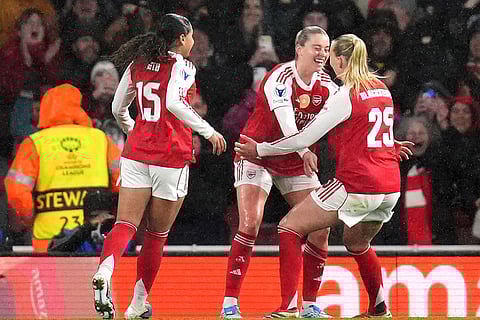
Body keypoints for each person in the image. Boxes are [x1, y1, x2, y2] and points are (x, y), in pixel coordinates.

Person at [235, 34, 413, 318]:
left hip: (357, 185)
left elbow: (302, 137)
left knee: (289, 227)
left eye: (330, 55)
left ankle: (288, 308)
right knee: (357, 243)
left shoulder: (345, 94)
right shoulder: (382, 89)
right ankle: (379, 308)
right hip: (390, 187)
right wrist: (392, 144)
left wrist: (261, 148)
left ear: (340, 60)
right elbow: (374, 131)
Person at [91, 13, 227, 319]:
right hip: (170, 155)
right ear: (181, 39)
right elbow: (174, 103)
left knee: (125, 224)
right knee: (156, 234)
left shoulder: (137, 62)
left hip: (137, 152)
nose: (192, 42)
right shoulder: (183, 65)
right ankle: (138, 304)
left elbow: (117, 107)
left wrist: (131, 129)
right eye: (190, 36)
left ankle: (104, 271)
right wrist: (209, 131)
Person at [221, 26, 337, 319]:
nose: (323, 54)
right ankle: (229, 304)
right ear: (299, 49)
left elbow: (348, 118)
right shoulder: (280, 78)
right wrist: (304, 151)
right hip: (256, 152)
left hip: (295, 161)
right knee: (250, 222)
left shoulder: (328, 86)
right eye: (317, 48)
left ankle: (309, 305)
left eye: (326, 48)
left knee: (320, 227)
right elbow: (288, 125)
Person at [4, 83, 121, 252]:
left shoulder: (34, 143)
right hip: (95, 240)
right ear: (77, 108)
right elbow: (124, 182)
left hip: (49, 242)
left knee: (55, 279)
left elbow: (16, 192)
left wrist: (30, 220)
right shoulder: (101, 139)